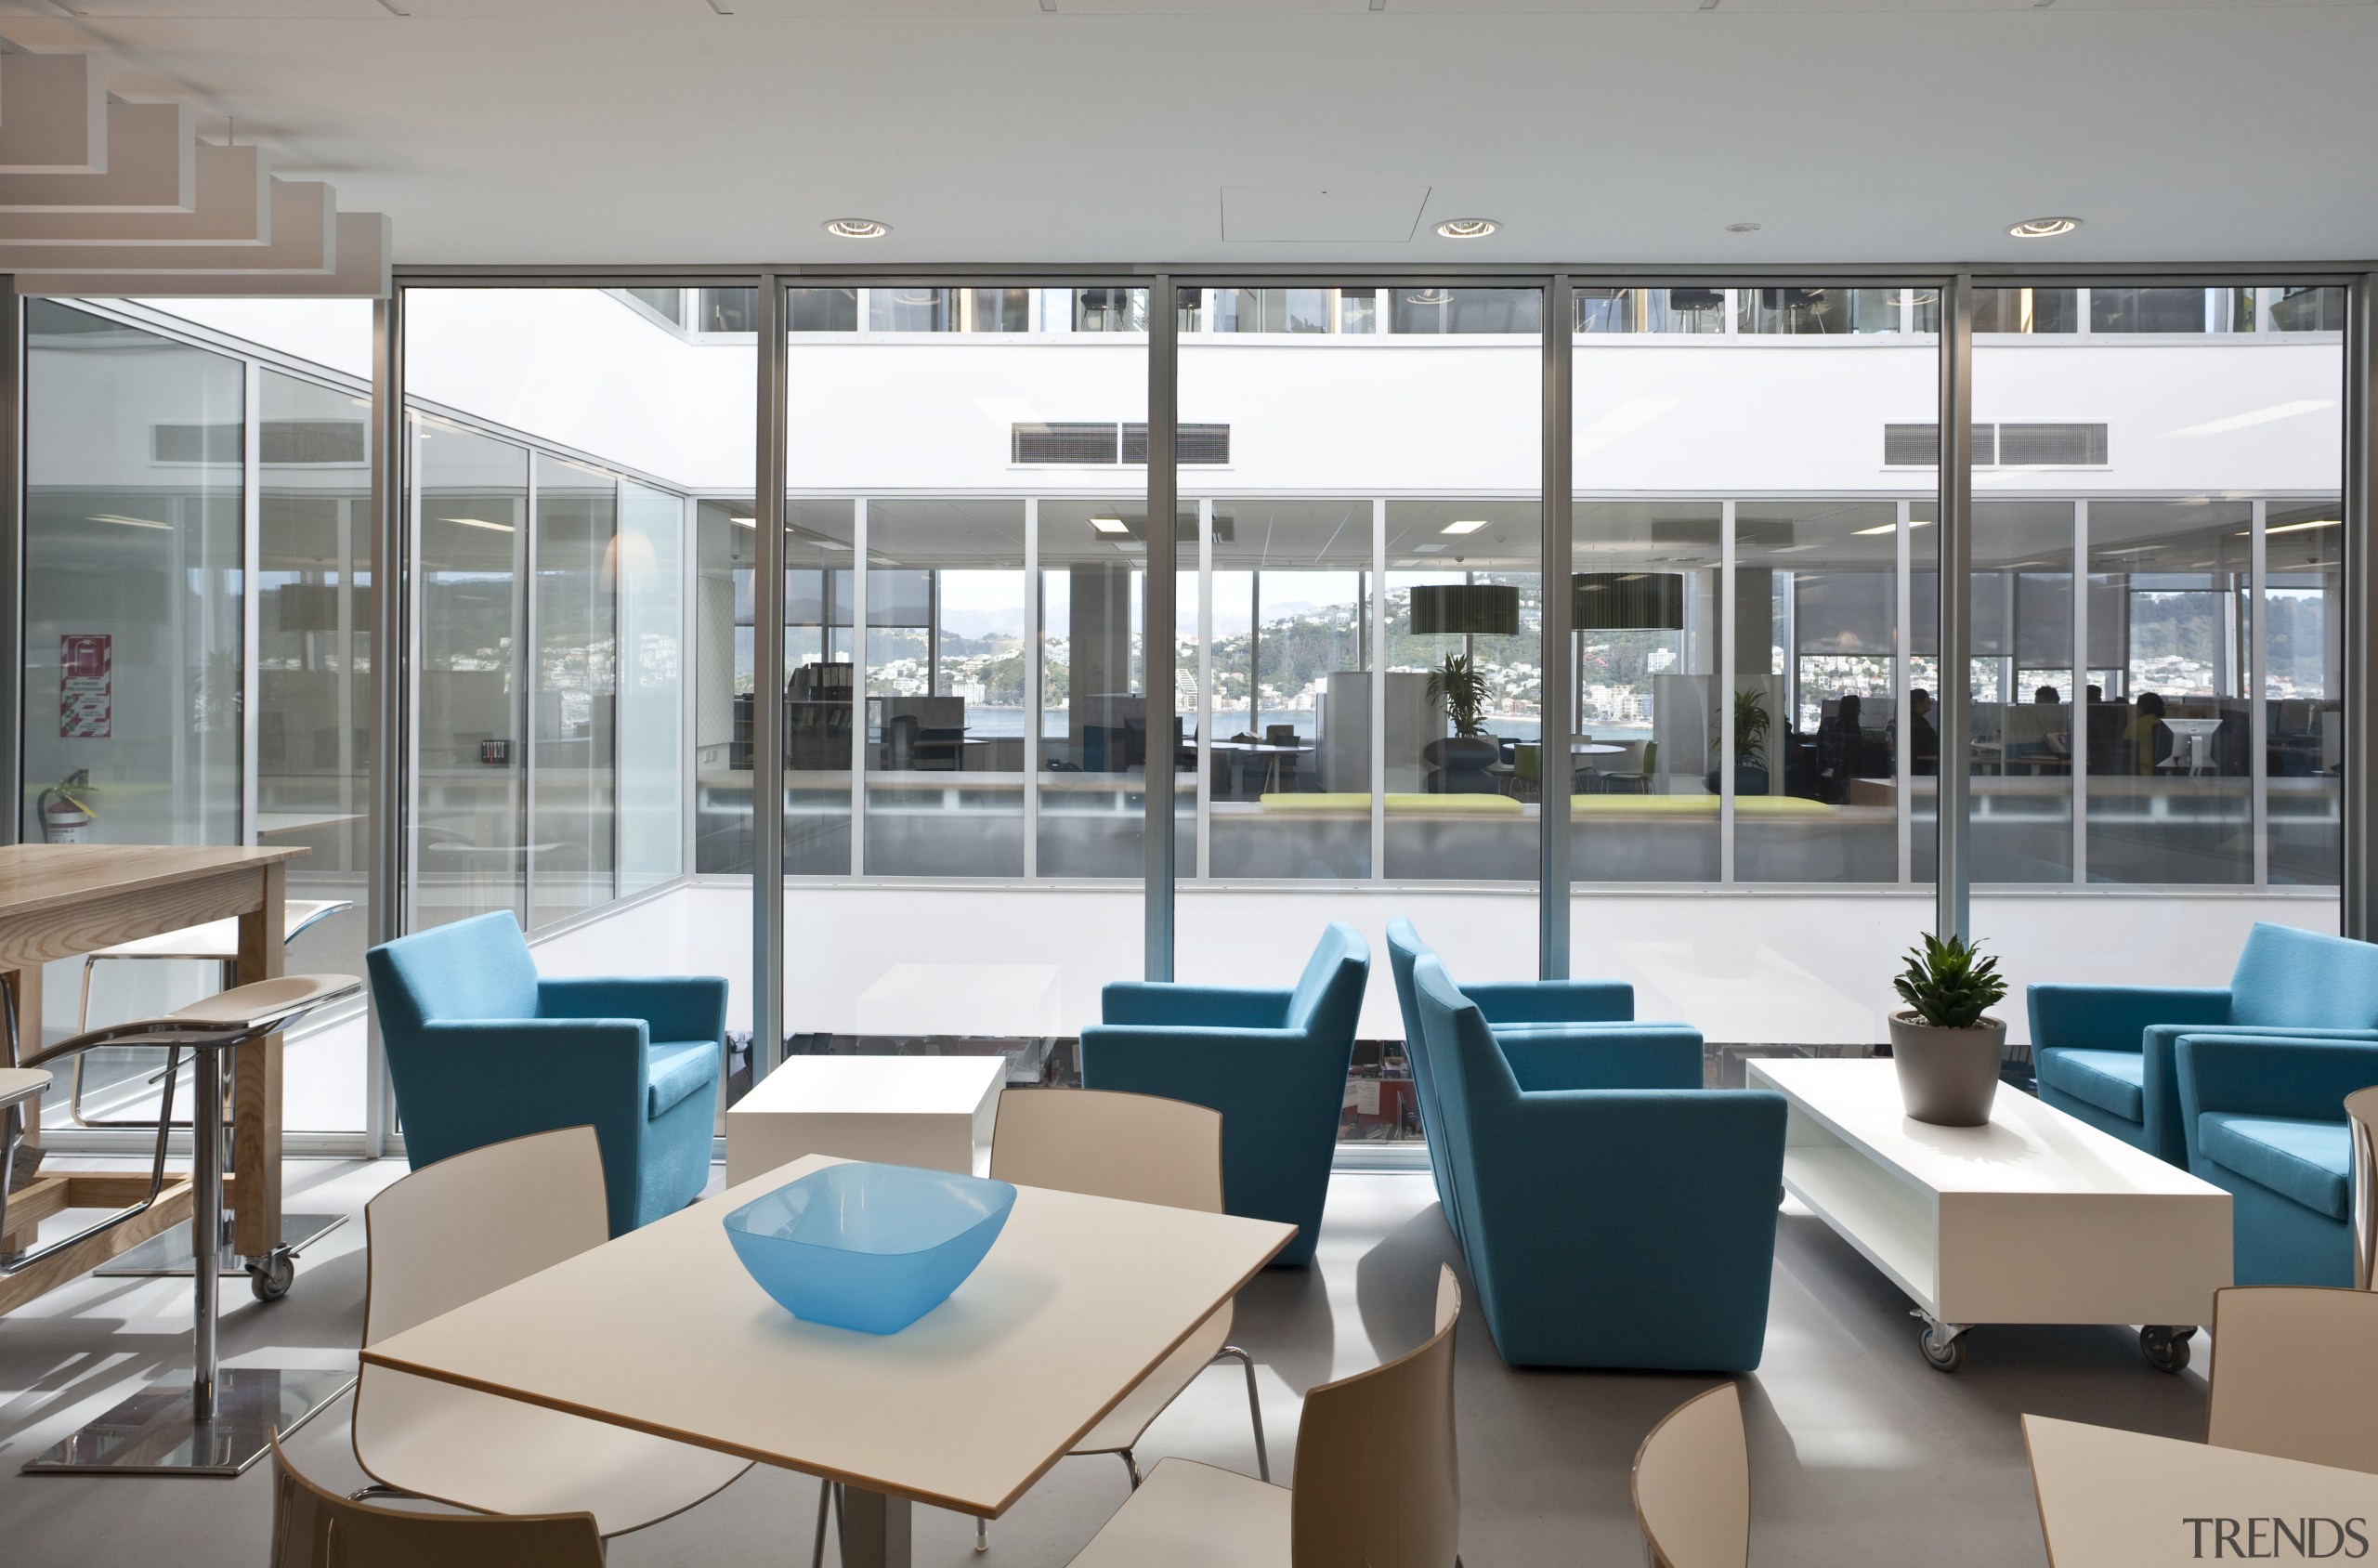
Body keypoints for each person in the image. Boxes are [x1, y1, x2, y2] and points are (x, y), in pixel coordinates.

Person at [1907, 688, 1939, 777]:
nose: (1930, 703)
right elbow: (1930, 744)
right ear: (1919, 703)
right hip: (1922, 767)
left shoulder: (1910, 719)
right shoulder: (1918, 722)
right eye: (1928, 700)